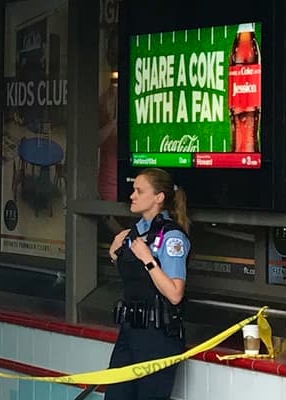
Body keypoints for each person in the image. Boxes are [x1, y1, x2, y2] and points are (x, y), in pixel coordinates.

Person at [104, 168, 191, 400]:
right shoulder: (133, 233)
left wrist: (148, 260)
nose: (132, 195)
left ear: (158, 198)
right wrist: (114, 255)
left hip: (158, 336)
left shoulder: (172, 238)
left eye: (139, 191)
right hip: (130, 330)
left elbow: (174, 294)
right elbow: (136, 281)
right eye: (133, 190)